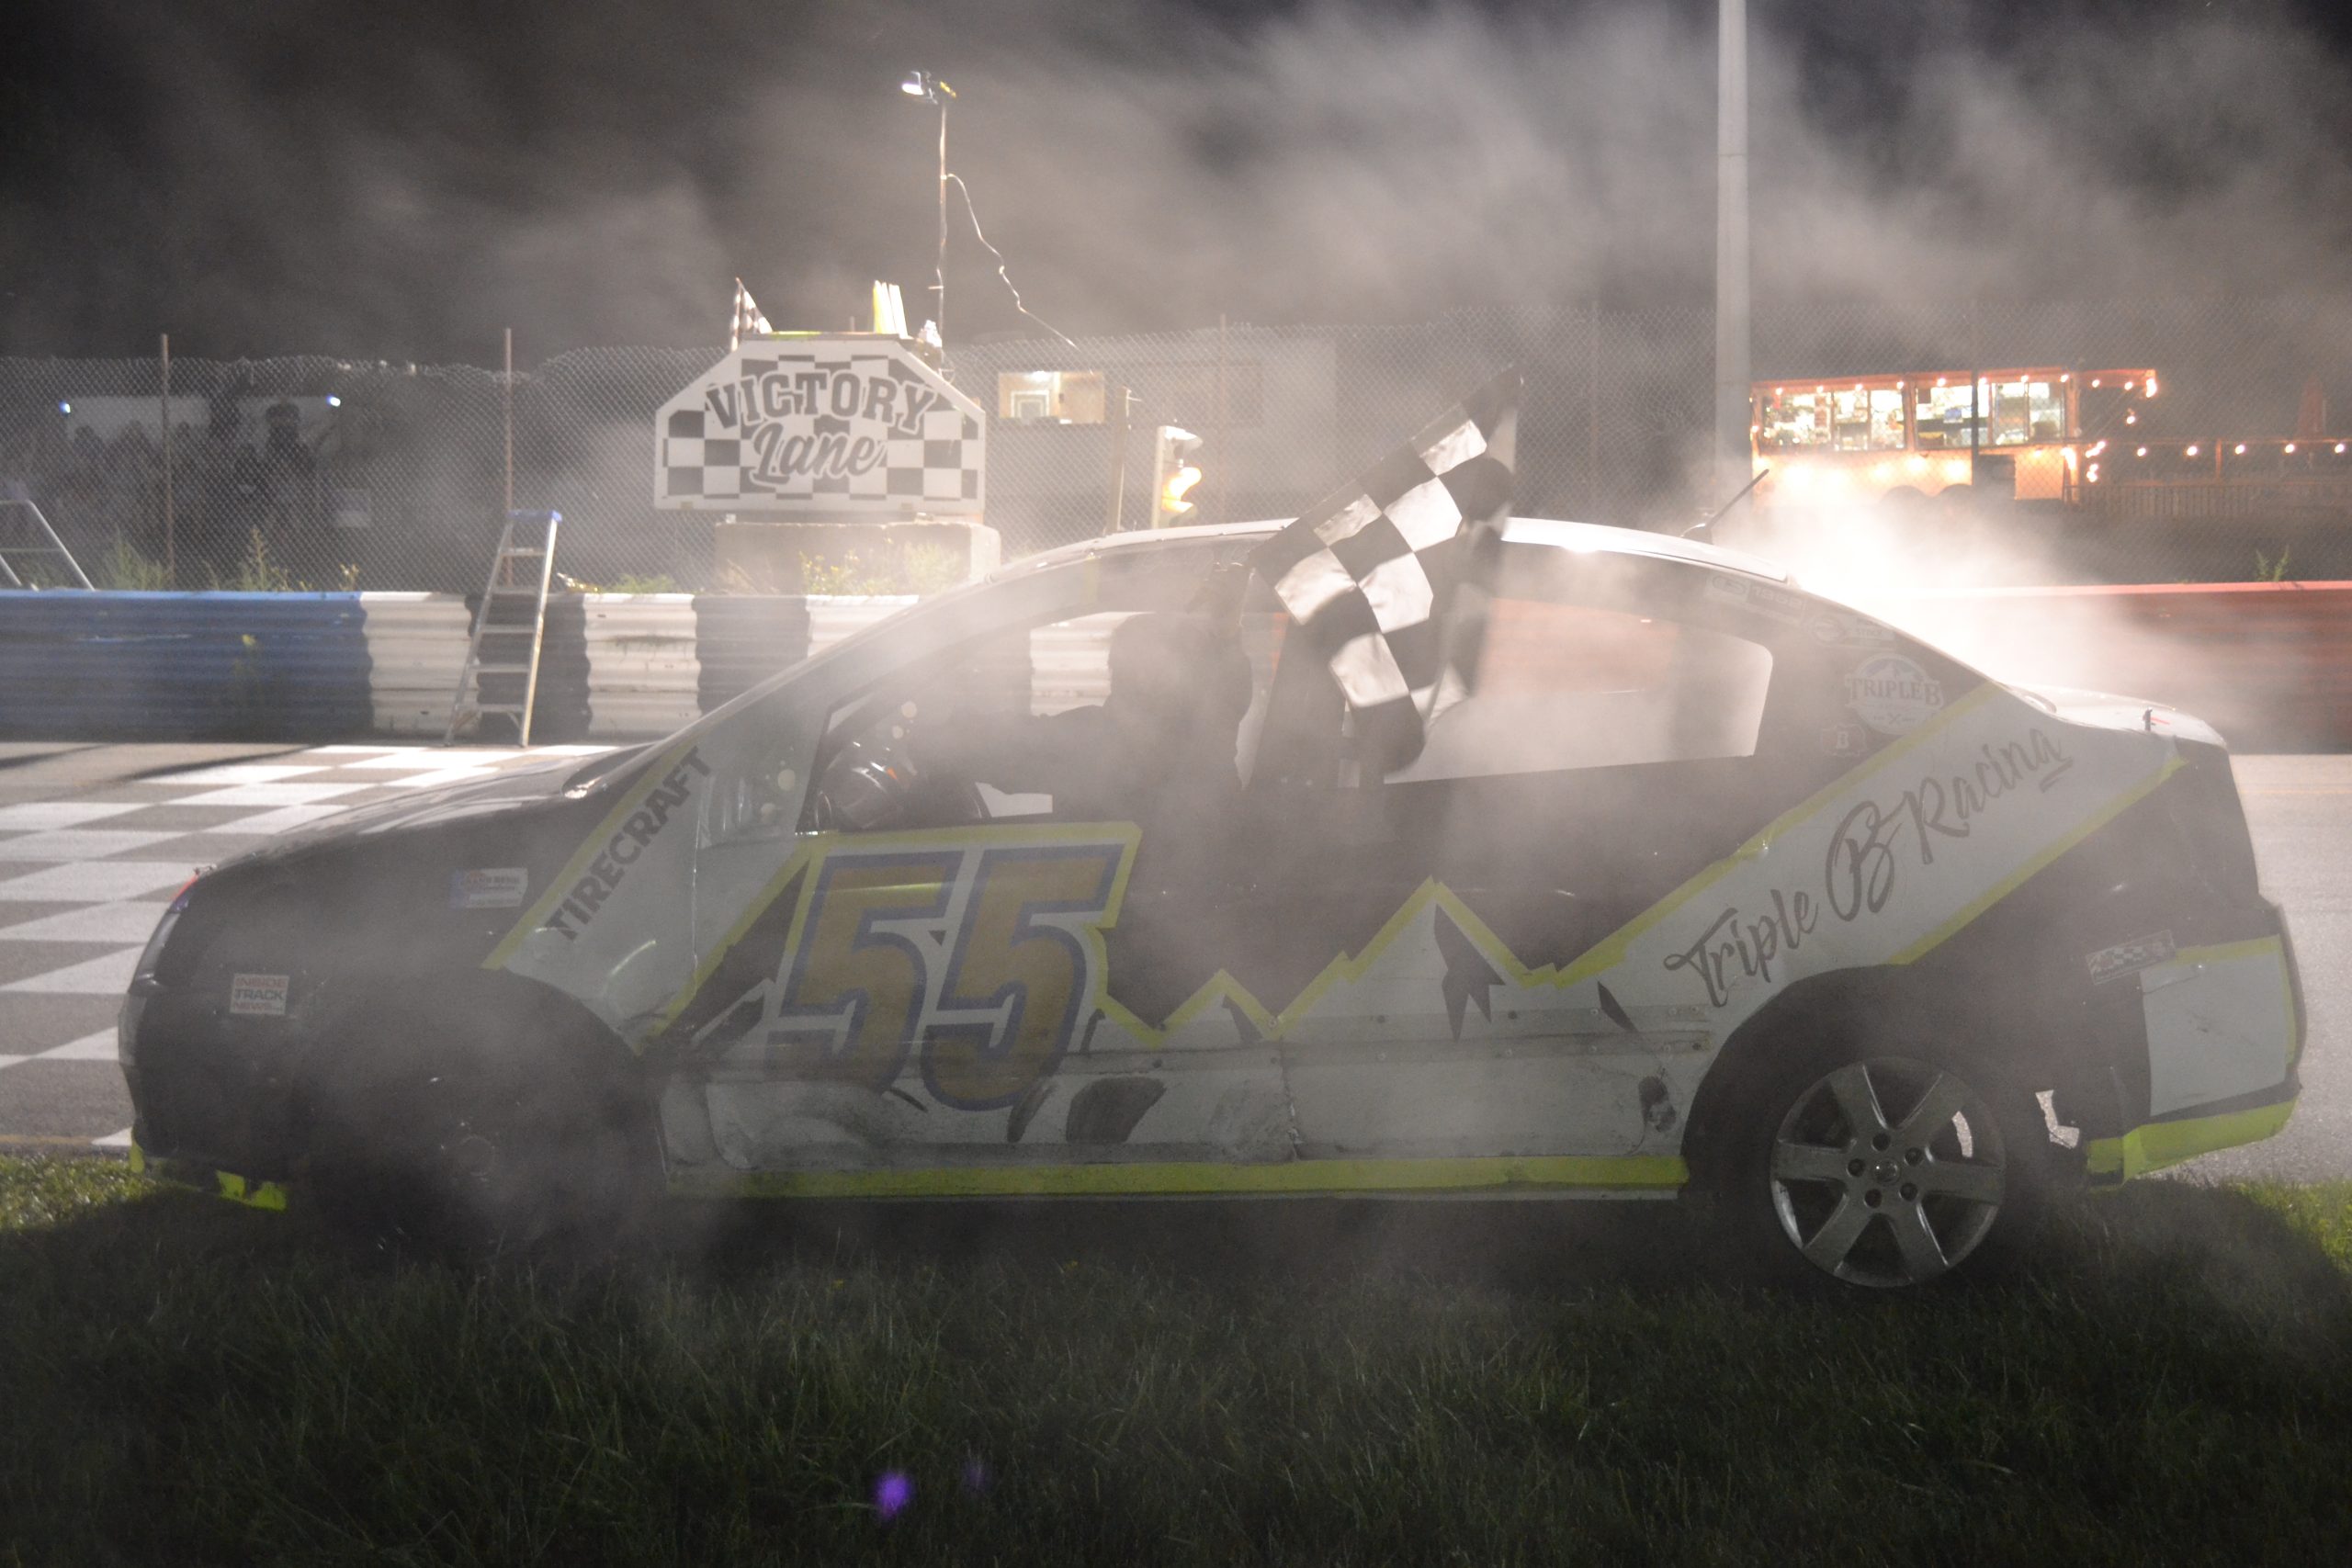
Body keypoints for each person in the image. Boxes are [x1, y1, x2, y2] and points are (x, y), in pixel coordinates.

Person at [914, 611, 1253, 847]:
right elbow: (1005, 745)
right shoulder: (1208, 738)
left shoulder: (1097, 740)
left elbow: (1003, 747)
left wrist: (938, 726)